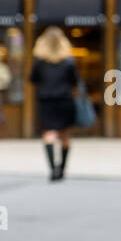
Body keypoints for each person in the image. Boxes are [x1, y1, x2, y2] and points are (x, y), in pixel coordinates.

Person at [29, 26, 80, 181]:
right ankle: (62, 170)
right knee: (64, 135)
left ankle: (53, 170)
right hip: (65, 99)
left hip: (47, 100)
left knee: (49, 134)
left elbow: (32, 80)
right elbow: (75, 81)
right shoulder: (68, 62)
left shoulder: (39, 62)